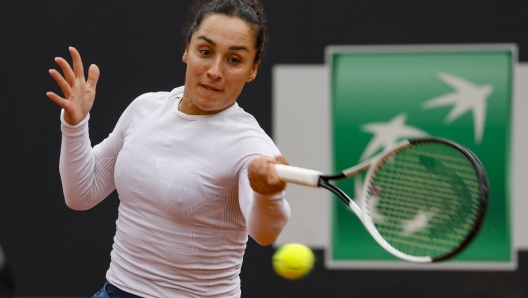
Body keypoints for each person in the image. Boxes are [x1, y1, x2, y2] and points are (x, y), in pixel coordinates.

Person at [46, 0, 291, 297]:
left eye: (234, 60)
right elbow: (82, 194)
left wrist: (269, 195)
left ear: (253, 69)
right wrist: (74, 125)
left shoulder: (250, 145)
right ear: (187, 50)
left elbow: (265, 233)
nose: (215, 70)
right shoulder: (145, 108)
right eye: (205, 51)